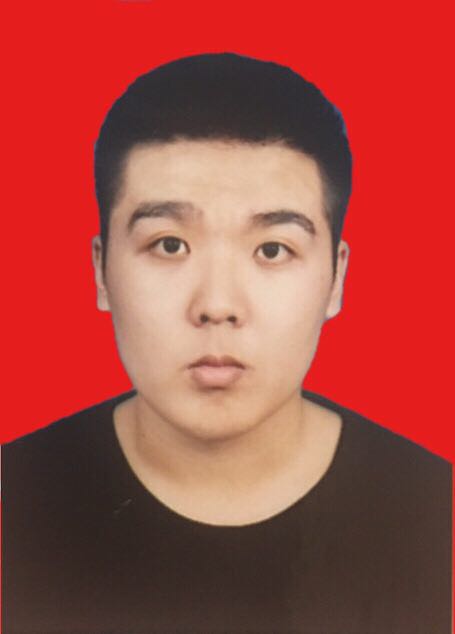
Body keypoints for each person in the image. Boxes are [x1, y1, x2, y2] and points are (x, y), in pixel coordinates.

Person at [2, 53, 451, 634]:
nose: (217, 304)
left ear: (336, 280)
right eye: (169, 245)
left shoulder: (438, 513)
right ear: (100, 271)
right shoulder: (14, 496)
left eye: (272, 250)